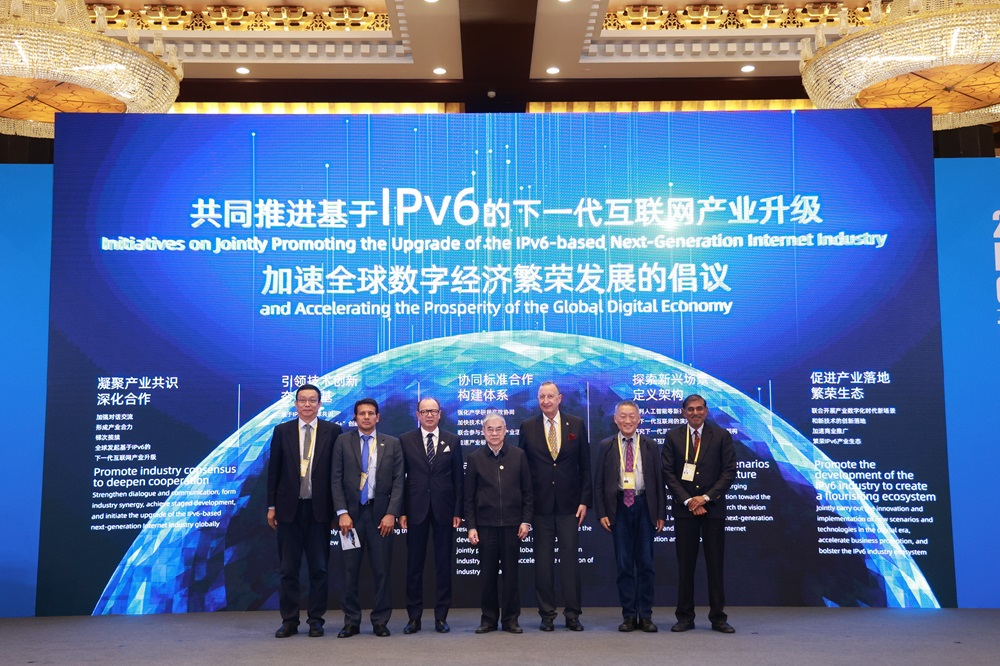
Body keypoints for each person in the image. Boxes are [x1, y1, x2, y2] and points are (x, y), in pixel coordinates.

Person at [266, 384, 343, 638]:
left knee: (319, 568)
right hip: (289, 510)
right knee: (288, 569)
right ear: (296, 404)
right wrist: (271, 506)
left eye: (312, 400)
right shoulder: (282, 431)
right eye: (302, 400)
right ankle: (289, 620)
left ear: (320, 404)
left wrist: (338, 511)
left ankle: (316, 620)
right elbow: (274, 472)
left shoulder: (333, 431)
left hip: (319, 510)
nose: (307, 404)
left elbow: (338, 474)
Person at [518, 381, 591, 632]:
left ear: (560, 398)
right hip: (540, 507)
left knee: (570, 563)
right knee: (543, 564)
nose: (546, 401)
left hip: (570, 506)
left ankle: (573, 615)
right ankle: (547, 615)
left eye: (550, 396)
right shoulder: (528, 427)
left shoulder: (576, 424)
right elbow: (522, 470)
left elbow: (585, 466)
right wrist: (525, 508)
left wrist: (584, 500)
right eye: (542, 397)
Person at [662, 394, 738, 634]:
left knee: (715, 565)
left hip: (712, 509)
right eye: (690, 409)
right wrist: (689, 500)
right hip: (685, 511)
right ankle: (685, 617)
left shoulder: (721, 436)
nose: (695, 413)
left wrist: (705, 498)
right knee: (686, 566)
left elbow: (729, 472)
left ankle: (718, 618)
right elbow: (668, 473)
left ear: (706, 410)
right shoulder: (673, 436)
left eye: (699, 409)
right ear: (683, 412)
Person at [331, 398, 404, 638]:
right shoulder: (343, 441)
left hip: (380, 516)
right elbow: (335, 479)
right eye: (361, 413)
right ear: (355, 417)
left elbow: (399, 482)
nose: (366, 417)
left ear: (378, 417)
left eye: (370, 413)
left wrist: (391, 513)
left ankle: (380, 621)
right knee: (349, 571)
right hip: (350, 519)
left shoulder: (392, 443)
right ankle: (351, 622)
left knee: (382, 571)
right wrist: (342, 513)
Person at [593, 400, 665, 633]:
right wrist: (602, 512)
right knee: (624, 564)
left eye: (632, 416)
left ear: (639, 419)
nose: (627, 421)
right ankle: (629, 615)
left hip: (645, 506)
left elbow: (659, 481)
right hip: (619, 508)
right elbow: (598, 482)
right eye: (622, 416)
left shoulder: (650, 445)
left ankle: (646, 615)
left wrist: (660, 513)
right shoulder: (606, 445)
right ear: (615, 419)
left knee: (646, 563)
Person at [399, 397, 464, 634]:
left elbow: (459, 480)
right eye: (424, 411)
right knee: (414, 566)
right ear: (417, 415)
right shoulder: (405, 440)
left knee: (443, 565)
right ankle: (414, 617)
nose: (429, 415)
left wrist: (458, 511)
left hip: (444, 510)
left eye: (433, 411)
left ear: (439, 414)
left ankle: (441, 617)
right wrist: (401, 511)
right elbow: (400, 479)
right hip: (414, 510)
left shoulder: (452, 440)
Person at [465, 412, 533, 635]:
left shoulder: (519, 455)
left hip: (513, 526)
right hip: (485, 526)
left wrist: (526, 521)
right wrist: (471, 526)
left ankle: (511, 619)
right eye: (490, 429)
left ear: (505, 431)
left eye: (498, 429)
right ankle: (488, 619)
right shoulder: (475, 458)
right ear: (483, 432)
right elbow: (469, 497)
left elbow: (528, 492)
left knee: (511, 576)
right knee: (487, 575)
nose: (494, 433)